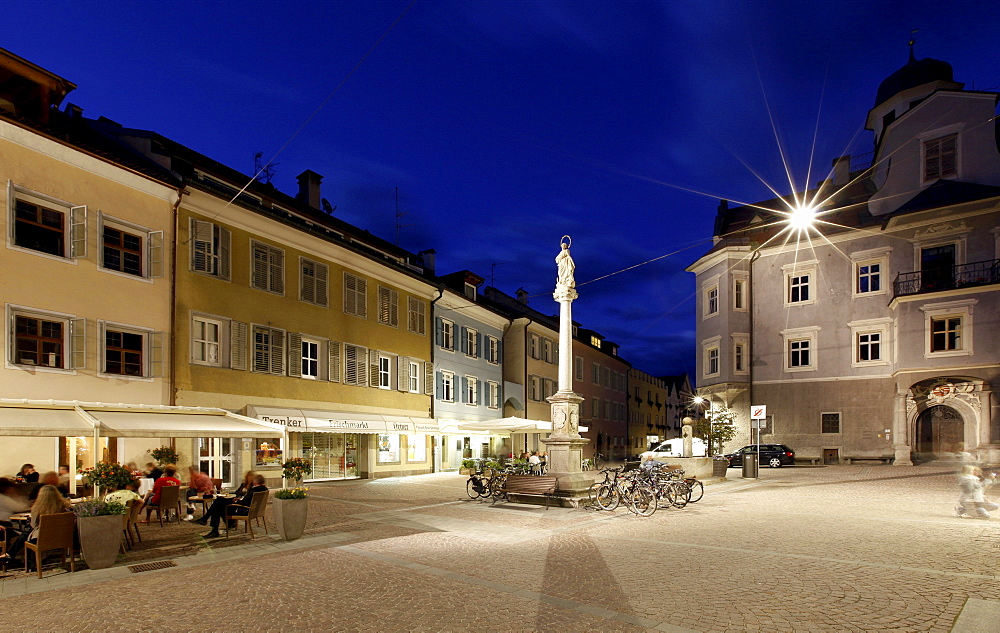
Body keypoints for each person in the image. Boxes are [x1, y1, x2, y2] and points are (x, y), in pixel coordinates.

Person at [5, 484, 72, 569]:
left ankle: (13, 556)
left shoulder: (37, 508)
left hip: (42, 538)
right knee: (26, 534)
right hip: (62, 537)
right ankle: (10, 555)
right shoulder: (64, 507)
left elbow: (34, 525)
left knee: (27, 534)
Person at [195, 474, 267, 538]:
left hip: (243, 510)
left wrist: (236, 501)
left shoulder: (254, 490)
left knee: (218, 504)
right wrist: (238, 499)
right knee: (219, 501)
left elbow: (244, 503)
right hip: (249, 509)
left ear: (255, 482)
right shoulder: (263, 489)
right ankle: (214, 524)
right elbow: (247, 501)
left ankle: (212, 526)